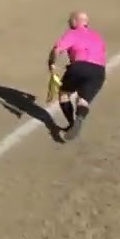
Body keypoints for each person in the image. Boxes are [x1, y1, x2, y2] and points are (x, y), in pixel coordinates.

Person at [47, 11, 107, 142]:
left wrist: (51, 62)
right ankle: (80, 117)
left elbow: (57, 50)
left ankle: (71, 123)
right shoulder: (97, 36)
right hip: (99, 71)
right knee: (83, 100)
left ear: (75, 21)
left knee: (64, 94)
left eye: (70, 21)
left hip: (79, 67)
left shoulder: (73, 33)